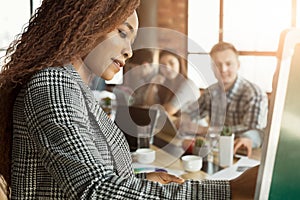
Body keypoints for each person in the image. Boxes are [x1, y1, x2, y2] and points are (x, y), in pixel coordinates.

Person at [0, 1, 258, 199]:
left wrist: (141, 181)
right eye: (123, 33)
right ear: (89, 23)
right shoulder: (54, 84)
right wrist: (229, 191)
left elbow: (90, 178)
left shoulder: (74, 88)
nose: (129, 51)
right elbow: (96, 191)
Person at [181, 42, 268, 157]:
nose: (223, 69)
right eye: (217, 65)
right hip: (214, 153)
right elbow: (189, 113)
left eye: (228, 64)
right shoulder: (210, 92)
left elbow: (253, 131)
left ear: (238, 65)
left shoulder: (254, 93)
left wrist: (206, 130)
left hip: (244, 155)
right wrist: (185, 120)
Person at [138, 49, 200, 116]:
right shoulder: (166, 85)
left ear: (179, 63)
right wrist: (152, 85)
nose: (167, 68)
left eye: (171, 63)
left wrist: (150, 109)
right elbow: (148, 104)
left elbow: (168, 111)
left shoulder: (188, 85)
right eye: (163, 65)